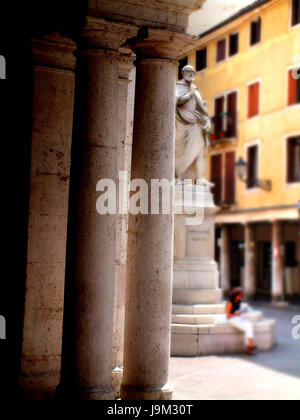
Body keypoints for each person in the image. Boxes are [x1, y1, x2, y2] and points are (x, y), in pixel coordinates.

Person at [175, 65, 211, 182]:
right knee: (179, 152)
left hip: (194, 124)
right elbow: (178, 101)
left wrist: (206, 121)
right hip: (181, 123)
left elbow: (201, 107)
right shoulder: (178, 87)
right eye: (187, 72)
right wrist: (190, 93)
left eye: (192, 72)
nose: (190, 74)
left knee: (200, 149)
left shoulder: (195, 90)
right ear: (183, 73)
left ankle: (200, 178)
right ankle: (177, 176)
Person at [226, 287, 256, 355]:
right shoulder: (230, 302)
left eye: (241, 296)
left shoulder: (239, 301)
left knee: (249, 325)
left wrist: (241, 312)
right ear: (235, 295)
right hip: (232, 319)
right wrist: (235, 314)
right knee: (247, 328)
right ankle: (250, 346)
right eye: (239, 296)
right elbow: (228, 315)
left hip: (238, 317)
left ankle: (250, 346)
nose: (240, 297)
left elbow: (238, 311)